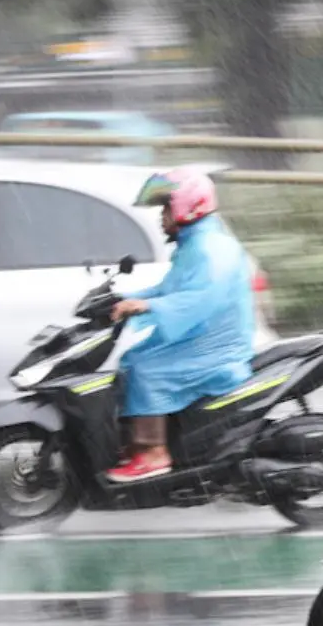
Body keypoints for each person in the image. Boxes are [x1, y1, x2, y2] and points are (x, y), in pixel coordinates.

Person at [104, 166, 256, 483]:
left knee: (147, 369)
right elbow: (169, 290)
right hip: (200, 335)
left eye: (165, 209)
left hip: (216, 345)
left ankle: (154, 453)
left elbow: (200, 299)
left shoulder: (210, 249)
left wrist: (147, 305)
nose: (161, 218)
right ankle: (137, 443)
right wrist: (125, 299)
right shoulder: (195, 244)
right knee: (133, 360)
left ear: (187, 208)